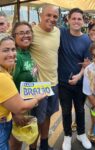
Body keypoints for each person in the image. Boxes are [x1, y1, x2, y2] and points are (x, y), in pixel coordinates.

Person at [0, 34, 46, 150]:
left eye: (12, 49)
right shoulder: (2, 78)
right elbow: (20, 107)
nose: (11, 54)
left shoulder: (5, 72)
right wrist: (37, 98)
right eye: (5, 50)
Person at [58, 8, 92, 150]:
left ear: (83, 21)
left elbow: (86, 63)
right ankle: (67, 136)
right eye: (74, 18)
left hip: (80, 83)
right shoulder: (60, 34)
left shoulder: (86, 39)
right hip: (63, 83)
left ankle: (81, 133)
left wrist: (79, 76)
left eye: (79, 19)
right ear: (68, 20)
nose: (76, 21)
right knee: (66, 111)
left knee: (80, 110)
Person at [30, 4, 60, 150]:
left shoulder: (58, 32)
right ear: (41, 15)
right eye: (48, 15)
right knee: (36, 119)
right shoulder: (31, 33)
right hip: (38, 86)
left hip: (53, 82)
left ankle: (44, 144)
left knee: (47, 116)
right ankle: (32, 147)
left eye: (55, 16)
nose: (51, 19)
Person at [9, 21, 37, 150]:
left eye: (28, 32)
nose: (25, 35)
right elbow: (9, 86)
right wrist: (15, 113)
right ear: (14, 36)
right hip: (18, 107)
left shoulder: (29, 53)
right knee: (16, 141)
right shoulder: (16, 57)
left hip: (28, 104)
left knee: (23, 135)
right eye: (21, 33)